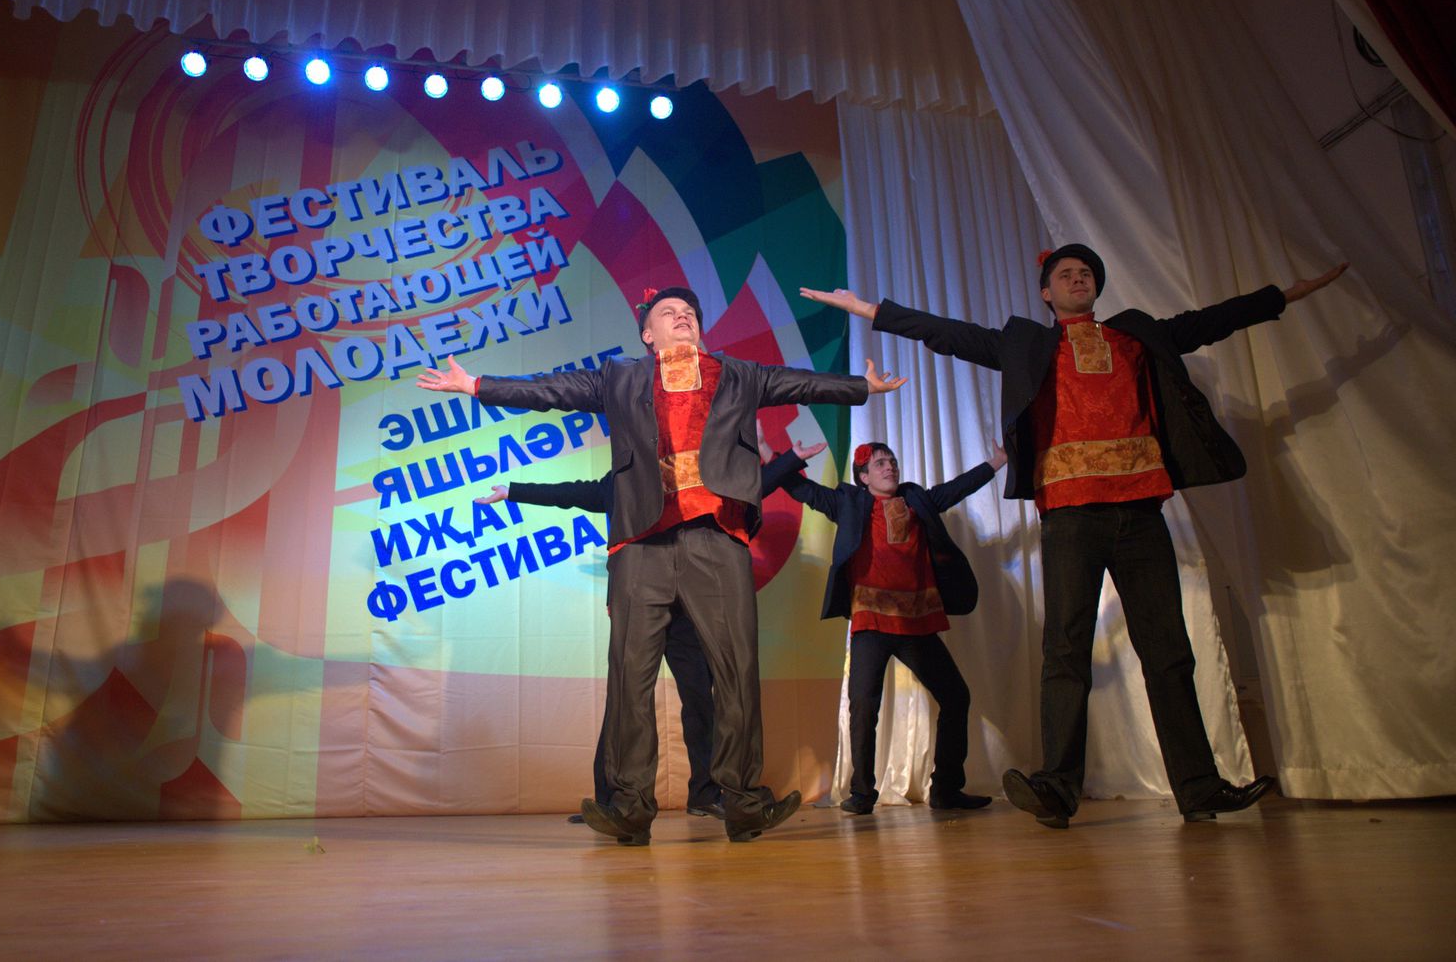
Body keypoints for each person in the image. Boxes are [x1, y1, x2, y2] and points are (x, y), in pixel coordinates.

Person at [803, 246, 1347, 828]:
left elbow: (1211, 321)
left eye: (1085, 272)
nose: (1077, 278)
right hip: (1069, 516)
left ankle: (1199, 788)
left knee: (1168, 652)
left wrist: (1284, 295)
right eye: (1064, 274)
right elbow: (949, 334)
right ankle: (1058, 788)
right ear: (1046, 292)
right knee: (1065, 652)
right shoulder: (1026, 345)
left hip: (1140, 510)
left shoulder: (1133, 336)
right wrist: (868, 308)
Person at [419, 286, 904, 843]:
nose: (683, 318)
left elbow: (801, 382)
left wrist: (863, 387)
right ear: (648, 334)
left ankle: (742, 800)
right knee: (630, 675)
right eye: (669, 314)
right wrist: (477, 385)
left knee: (737, 670)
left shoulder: (738, 375)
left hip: (716, 537)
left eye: (690, 313)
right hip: (641, 542)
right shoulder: (618, 378)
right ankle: (629, 806)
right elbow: (551, 389)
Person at [480, 442, 822, 825]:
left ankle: (706, 793)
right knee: (626, 700)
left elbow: (747, 488)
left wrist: (791, 459)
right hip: (641, 603)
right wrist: (513, 491)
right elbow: (572, 493)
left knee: (700, 700)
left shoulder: (692, 473)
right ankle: (612, 801)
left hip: (689, 609)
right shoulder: (621, 482)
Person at [779, 440, 1006, 815]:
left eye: (893, 462)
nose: (890, 467)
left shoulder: (916, 500)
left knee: (956, 697)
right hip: (871, 621)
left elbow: (956, 489)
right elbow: (803, 490)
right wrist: (783, 457)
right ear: (864, 476)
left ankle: (946, 789)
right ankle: (862, 794)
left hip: (916, 622)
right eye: (880, 463)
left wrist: (994, 464)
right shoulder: (848, 503)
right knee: (863, 706)